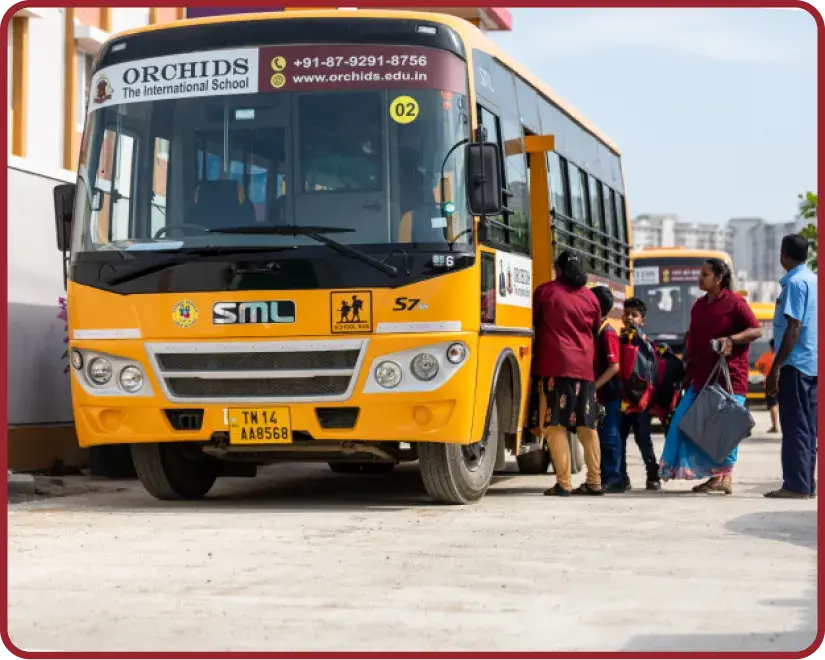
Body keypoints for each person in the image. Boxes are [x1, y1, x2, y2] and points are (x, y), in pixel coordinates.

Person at [659, 259, 762, 494]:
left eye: (705, 274)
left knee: (725, 429)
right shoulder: (699, 305)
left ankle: (723, 476)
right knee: (681, 423)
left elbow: (756, 329)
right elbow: (693, 340)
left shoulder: (735, 302)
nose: (700, 278)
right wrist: (685, 369)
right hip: (701, 379)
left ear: (718, 279)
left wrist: (731, 339)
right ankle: (713, 475)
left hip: (729, 379)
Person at [531, 250, 604, 496]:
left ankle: (564, 484)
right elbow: (595, 329)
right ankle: (594, 481)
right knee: (587, 427)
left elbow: (533, 322)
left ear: (558, 269)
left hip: (556, 367)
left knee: (554, 425)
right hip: (584, 369)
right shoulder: (591, 298)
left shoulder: (546, 292)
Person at [765, 234, 818, 499]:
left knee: (796, 427)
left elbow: (793, 328)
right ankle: (807, 484)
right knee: (808, 428)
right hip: (813, 364)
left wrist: (775, 368)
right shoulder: (814, 280)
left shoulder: (795, 284)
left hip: (796, 366)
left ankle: (796, 485)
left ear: (783, 254)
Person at [616, 297, 661, 492]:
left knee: (643, 440)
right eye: (626, 314)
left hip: (640, 401)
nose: (629, 318)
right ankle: (622, 476)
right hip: (623, 399)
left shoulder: (645, 342)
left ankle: (653, 476)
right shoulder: (619, 339)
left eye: (634, 315)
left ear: (643, 320)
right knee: (620, 440)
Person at [591, 286, 623, 492]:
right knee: (601, 437)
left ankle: (614, 478)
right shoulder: (596, 330)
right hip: (600, 394)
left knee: (610, 437)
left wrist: (594, 386)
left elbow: (614, 367)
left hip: (610, 394)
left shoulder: (608, 332)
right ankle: (604, 476)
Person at [755, 338, 779, 433]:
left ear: (771, 346)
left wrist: (765, 372)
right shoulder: (783, 355)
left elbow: (759, 366)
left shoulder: (766, 356)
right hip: (783, 382)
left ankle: (775, 426)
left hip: (770, 384)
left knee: (773, 405)